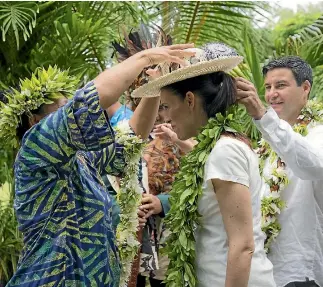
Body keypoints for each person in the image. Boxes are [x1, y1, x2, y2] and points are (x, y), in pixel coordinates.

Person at [0, 44, 194, 287]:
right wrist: (144, 57)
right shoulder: (34, 150)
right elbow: (88, 101)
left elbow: (129, 142)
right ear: (35, 120)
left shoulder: (81, 159)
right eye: (61, 107)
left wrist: (155, 86)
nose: (68, 111)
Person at [132, 42, 276, 287]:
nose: (164, 116)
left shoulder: (225, 151)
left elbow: (242, 245)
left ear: (189, 100)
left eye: (166, 106)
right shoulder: (212, 148)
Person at [236, 56, 323, 287]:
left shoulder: (318, 132)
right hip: (265, 268)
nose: (272, 94)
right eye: (267, 87)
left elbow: (313, 165)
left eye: (280, 86)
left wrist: (263, 116)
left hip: (301, 270)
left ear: (305, 88)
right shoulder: (268, 141)